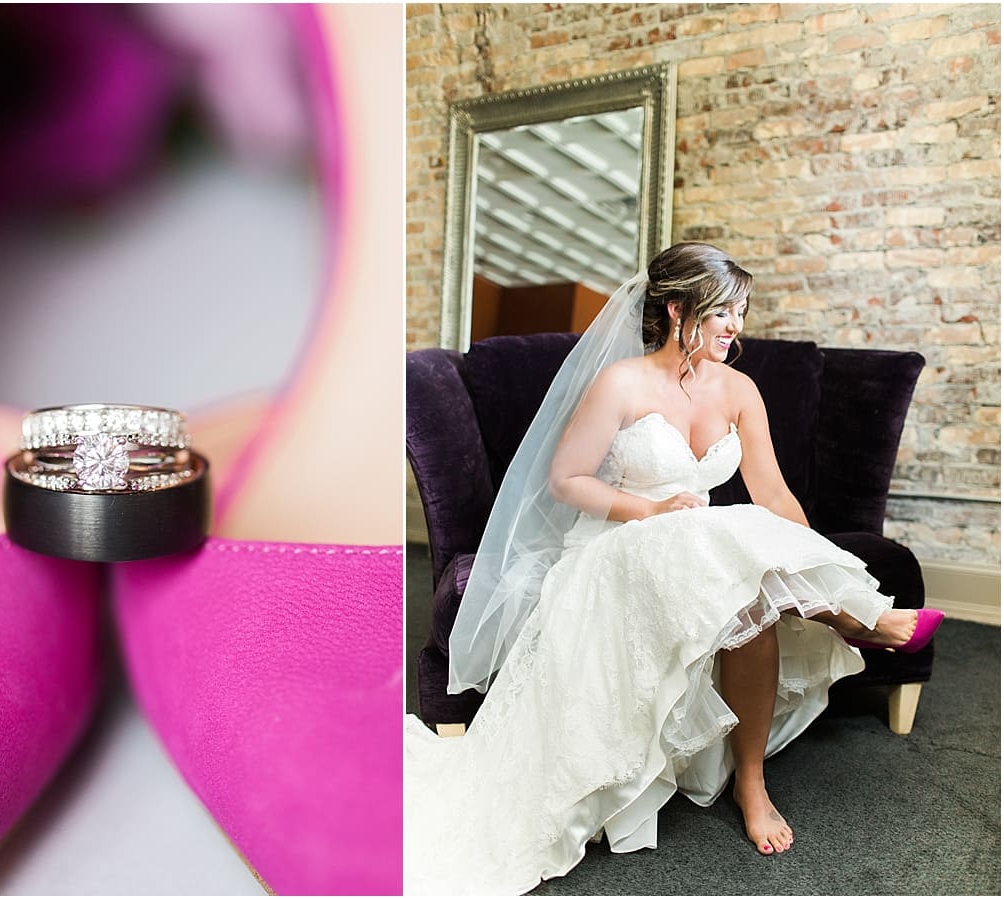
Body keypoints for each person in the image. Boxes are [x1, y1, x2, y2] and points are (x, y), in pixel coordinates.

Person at [404, 242, 943, 895]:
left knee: (748, 590)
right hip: (614, 543)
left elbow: (772, 497)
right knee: (712, 540)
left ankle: (754, 779)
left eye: (742, 311)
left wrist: (815, 563)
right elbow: (567, 478)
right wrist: (650, 507)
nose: (736, 327)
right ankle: (863, 619)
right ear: (677, 307)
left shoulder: (739, 389)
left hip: (691, 549)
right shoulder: (622, 382)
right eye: (724, 312)